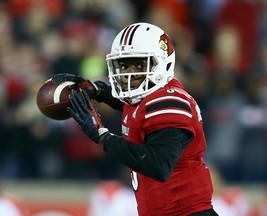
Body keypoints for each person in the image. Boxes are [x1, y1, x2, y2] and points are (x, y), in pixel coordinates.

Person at [52, 22, 218, 216]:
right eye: (123, 66)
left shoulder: (170, 101)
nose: (129, 74)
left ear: (162, 63)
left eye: (138, 65)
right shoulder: (148, 97)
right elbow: (138, 111)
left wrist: (102, 137)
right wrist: (98, 90)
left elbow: (159, 164)